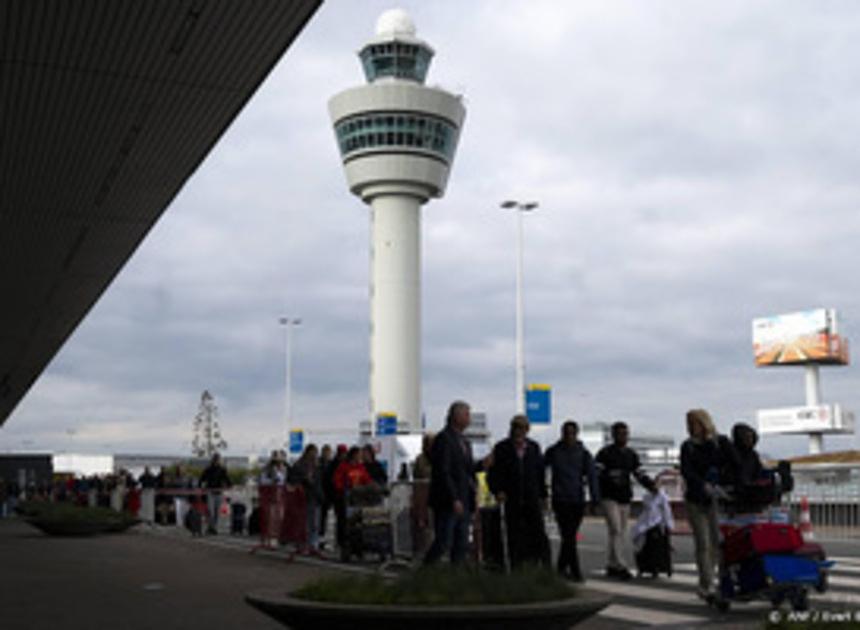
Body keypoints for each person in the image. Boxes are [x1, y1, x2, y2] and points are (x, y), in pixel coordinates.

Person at [424, 400, 491, 566]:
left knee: (461, 543)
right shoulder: (444, 439)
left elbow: (466, 469)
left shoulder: (464, 442)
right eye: (467, 414)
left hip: (464, 498)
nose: (469, 419)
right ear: (456, 416)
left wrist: (482, 465)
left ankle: (456, 577)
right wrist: (453, 498)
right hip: (449, 500)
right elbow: (443, 471)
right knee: (444, 541)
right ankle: (426, 571)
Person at [487, 414, 551, 568]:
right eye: (516, 427)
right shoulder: (502, 448)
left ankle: (542, 564)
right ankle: (514, 564)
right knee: (513, 533)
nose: (518, 431)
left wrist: (543, 495)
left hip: (531, 496)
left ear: (527, 430)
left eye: (522, 427)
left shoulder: (534, 448)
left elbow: (539, 473)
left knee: (538, 532)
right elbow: (493, 474)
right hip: (511, 497)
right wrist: (497, 491)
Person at [596, 421, 657, 580]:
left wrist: (651, 485)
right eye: (620, 433)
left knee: (619, 532)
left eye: (625, 434)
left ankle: (611, 564)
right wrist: (597, 494)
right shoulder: (605, 453)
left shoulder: (631, 455)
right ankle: (620, 565)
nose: (623, 437)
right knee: (616, 529)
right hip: (609, 496)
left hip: (624, 497)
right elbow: (596, 474)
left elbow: (639, 473)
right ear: (613, 435)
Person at [544, 420, 600, 581]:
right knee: (568, 535)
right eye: (566, 432)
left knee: (569, 535)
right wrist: (543, 492)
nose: (569, 436)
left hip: (577, 500)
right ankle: (574, 571)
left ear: (576, 434)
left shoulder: (583, 453)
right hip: (560, 499)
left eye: (572, 433)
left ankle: (561, 568)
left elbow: (592, 477)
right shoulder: (554, 451)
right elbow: (541, 469)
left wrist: (595, 499)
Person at [680, 409, 724, 600]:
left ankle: (707, 581)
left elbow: (722, 465)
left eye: (695, 423)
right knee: (702, 543)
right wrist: (701, 484)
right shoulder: (687, 446)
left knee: (716, 541)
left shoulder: (715, 444)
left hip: (713, 497)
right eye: (689, 424)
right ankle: (708, 582)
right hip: (695, 498)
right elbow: (686, 471)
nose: (691, 427)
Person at [293, 444, 324, 554]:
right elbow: (295, 480)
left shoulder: (316, 466)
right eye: (313, 452)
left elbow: (319, 482)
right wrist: (305, 480)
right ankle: (304, 545)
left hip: (315, 496)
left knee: (314, 523)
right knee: (305, 523)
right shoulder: (301, 465)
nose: (315, 455)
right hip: (305, 497)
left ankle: (312, 545)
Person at [199, 453, 231, 535]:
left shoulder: (222, 469)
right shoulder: (208, 469)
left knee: (216, 512)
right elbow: (202, 478)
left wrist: (230, 485)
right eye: (216, 459)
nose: (217, 461)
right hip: (210, 492)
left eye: (218, 459)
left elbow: (226, 479)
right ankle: (211, 527)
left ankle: (214, 527)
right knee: (210, 511)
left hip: (219, 492)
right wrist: (201, 487)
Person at [318, 444, 334, 543]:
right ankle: (319, 536)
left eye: (328, 452)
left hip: (328, 493)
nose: (327, 454)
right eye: (325, 452)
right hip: (319, 492)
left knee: (324, 516)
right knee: (318, 516)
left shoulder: (331, 464)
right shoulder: (319, 463)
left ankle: (322, 535)